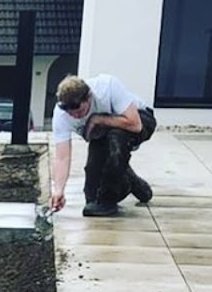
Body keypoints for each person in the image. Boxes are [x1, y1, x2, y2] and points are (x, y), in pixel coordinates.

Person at [49, 73, 157, 217]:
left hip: (140, 118)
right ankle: (131, 182)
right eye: (71, 113)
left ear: (89, 97)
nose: (75, 116)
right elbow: (62, 158)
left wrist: (98, 119)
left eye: (80, 111)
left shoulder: (107, 87)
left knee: (115, 139)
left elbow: (136, 125)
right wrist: (58, 191)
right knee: (92, 200)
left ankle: (108, 201)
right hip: (103, 133)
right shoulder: (61, 116)